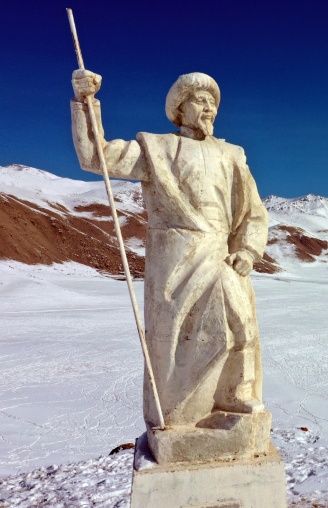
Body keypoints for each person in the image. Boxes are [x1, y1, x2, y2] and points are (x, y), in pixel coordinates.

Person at [70, 70, 269, 441]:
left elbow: (252, 212)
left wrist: (247, 249)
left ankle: (237, 394)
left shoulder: (231, 155)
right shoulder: (157, 149)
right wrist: (86, 104)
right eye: (199, 99)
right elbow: (96, 156)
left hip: (221, 254)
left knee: (241, 325)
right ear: (180, 109)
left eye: (213, 101)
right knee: (178, 342)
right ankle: (180, 415)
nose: (208, 107)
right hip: (177, 257)